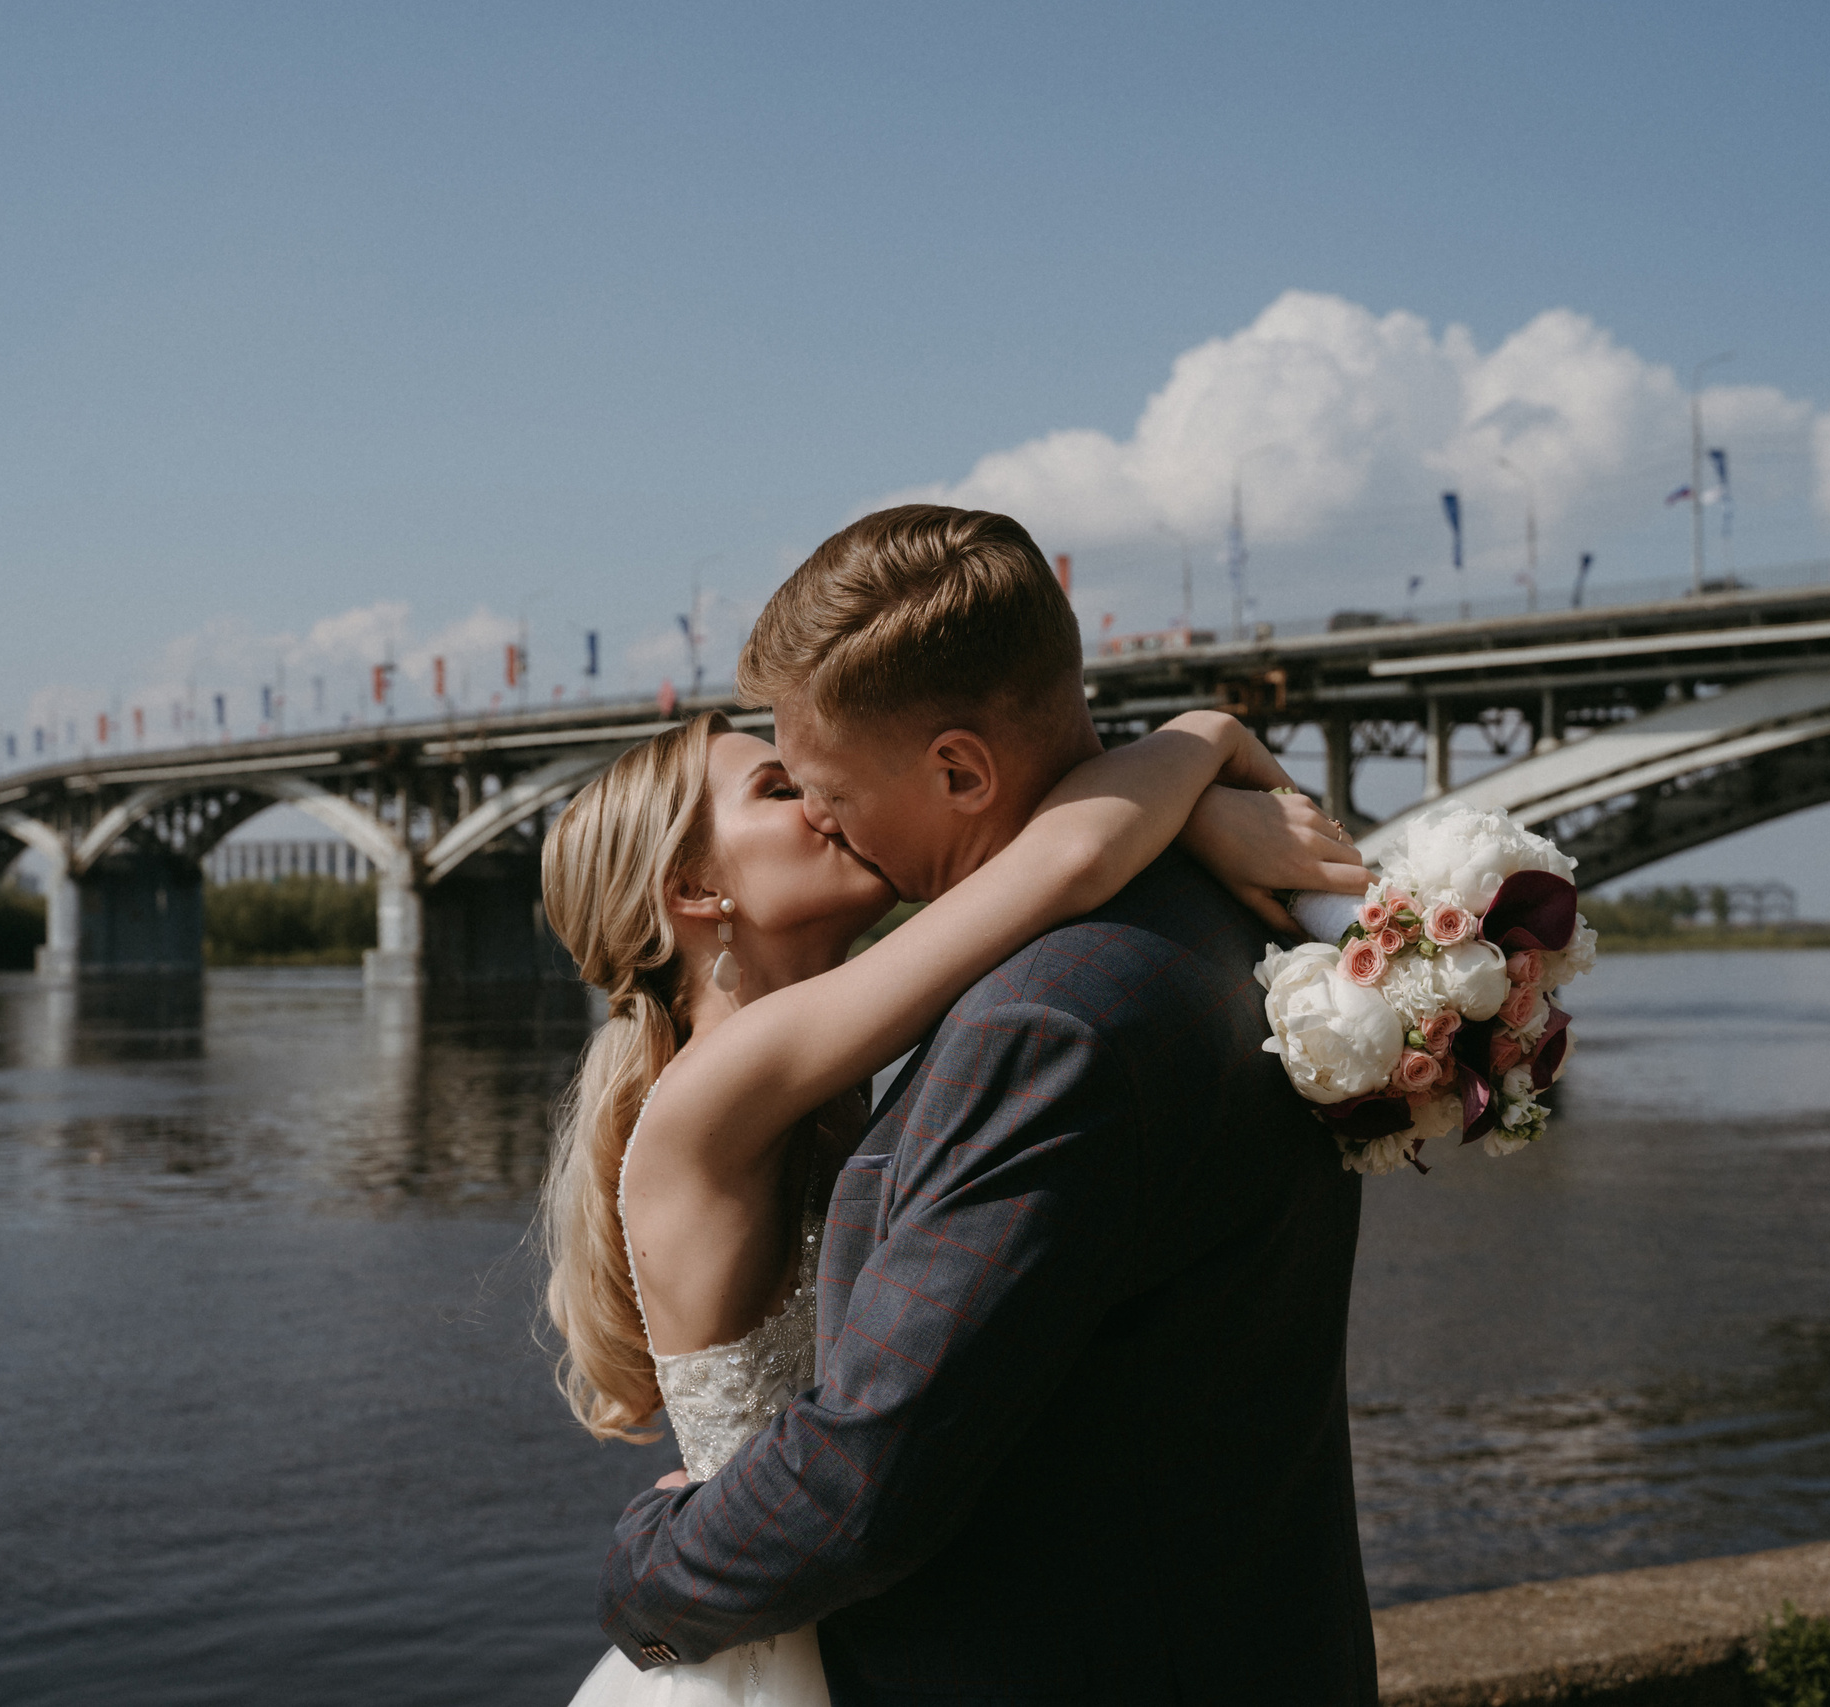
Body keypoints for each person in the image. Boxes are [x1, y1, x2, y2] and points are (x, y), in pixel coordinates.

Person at [545, 508, 1375, 1706]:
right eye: (781, 793)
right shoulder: (725, 1084)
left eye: (805, 779)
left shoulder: (896, 1055)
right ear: (694, 892)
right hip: (783, 1634)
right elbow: (1056, 865)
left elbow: (1046, 866)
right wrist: (1201, 748)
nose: (824, 810)